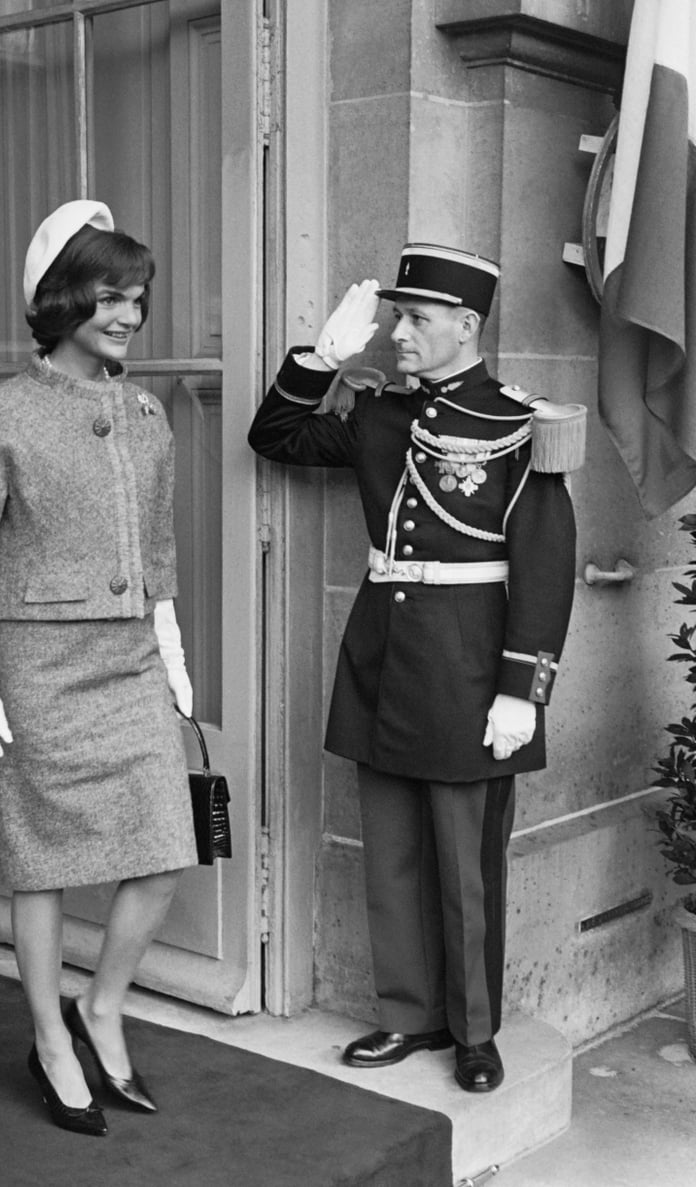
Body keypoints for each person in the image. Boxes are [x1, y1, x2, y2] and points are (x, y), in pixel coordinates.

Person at [248, 244, 580, 1093]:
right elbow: (274, 434)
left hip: (469, 666)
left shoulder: (517, 423)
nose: (398, 331)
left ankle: (473, 1030)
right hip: (382, 655)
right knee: (389, 848)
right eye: (396, 316)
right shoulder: (380, 415)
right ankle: (407, 1015)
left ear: (467, 326)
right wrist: (317, 362)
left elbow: (544, 563)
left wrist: (522, 688)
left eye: (416, 318)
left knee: (465, 863)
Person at [0, 200, 198, 1136]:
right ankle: (49, 1036)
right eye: (108, 296)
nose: (127, 315)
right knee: (39, 868)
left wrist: (169, 653)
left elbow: (158, 549)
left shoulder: (147, 412)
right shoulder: (1, 411)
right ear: (61, 300)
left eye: (137, 298)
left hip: (127, 663)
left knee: (168, 845)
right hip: (37, 670)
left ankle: (103, 1005)